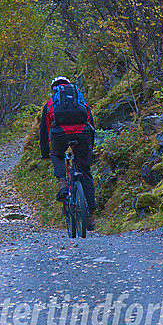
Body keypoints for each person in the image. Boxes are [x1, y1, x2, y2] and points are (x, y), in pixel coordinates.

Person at [39, 76, 97, 231]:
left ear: (53, 88)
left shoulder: (51, 102)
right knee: (85, 173)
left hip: (60, 134)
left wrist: (45, 153)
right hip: (83, 134)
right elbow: (90, 121)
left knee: (57, 155)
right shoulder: (79, 98)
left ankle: (63, 183)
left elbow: (45, 130)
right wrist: (90, 145)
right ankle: (90, 217)